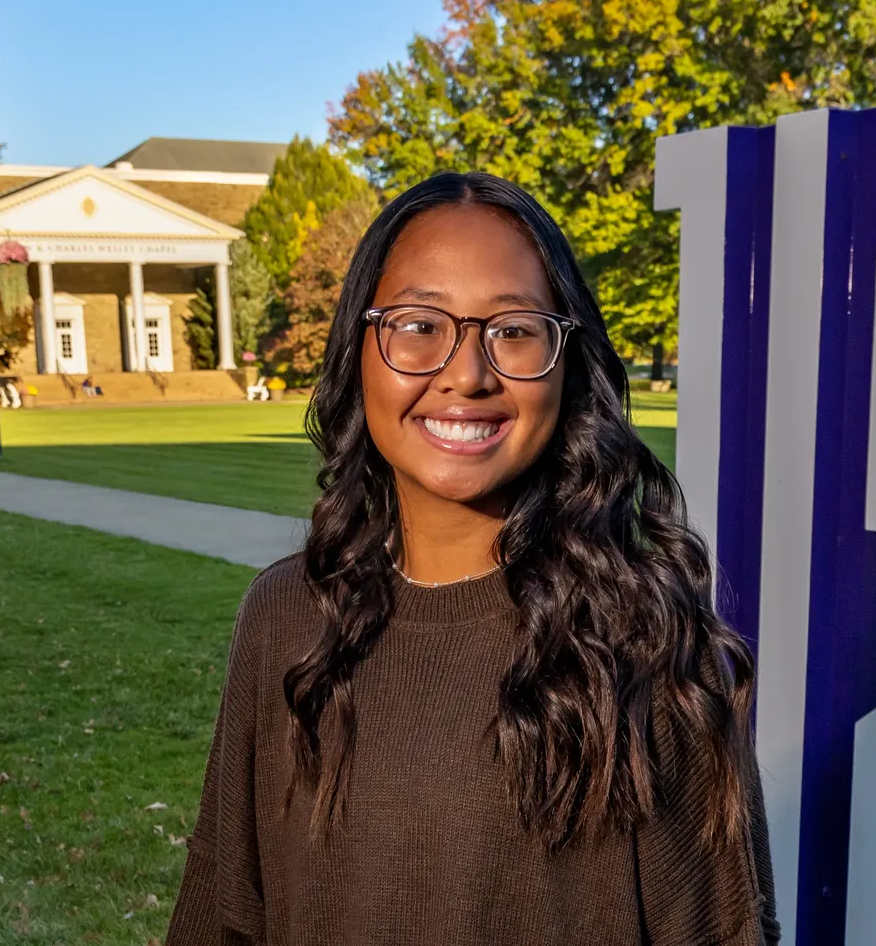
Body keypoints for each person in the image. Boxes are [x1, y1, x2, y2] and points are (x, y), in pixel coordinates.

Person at [166, 172, 779, 946]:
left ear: (566, 362)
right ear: (360, 347)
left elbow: (720, 928)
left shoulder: (646, 641)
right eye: (420, 324)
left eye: (514, 329)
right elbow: (224, 914)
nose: (467, 373)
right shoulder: (287, 615)